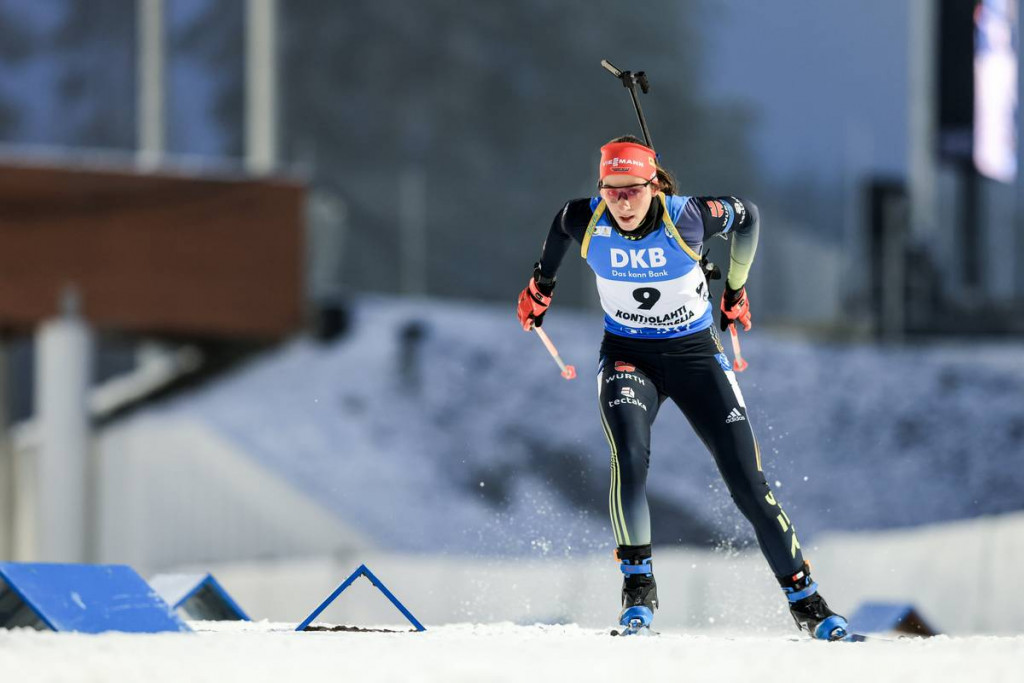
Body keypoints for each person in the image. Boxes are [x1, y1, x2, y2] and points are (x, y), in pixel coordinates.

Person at [515, 136, 849, 639]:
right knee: (629, 457)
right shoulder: (584, 217)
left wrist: (735, 288)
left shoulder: (689, 217)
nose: (622, 202)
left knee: (747, 483)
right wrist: (541, 286)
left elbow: (749, 216)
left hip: (696, 358)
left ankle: (808, 603)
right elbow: (561, 227)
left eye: (633, 190)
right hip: (629, 358)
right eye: (612, 191)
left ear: (654, 185)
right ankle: (638, 591)